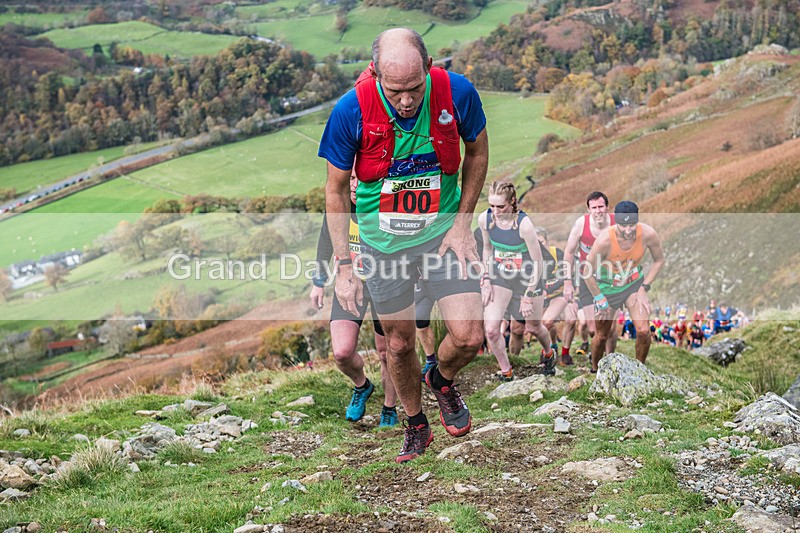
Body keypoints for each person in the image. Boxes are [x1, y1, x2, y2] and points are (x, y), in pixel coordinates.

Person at [320, 28, 488, 463]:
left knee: (469, 336)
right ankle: (416, 424)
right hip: (383, 246)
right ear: (375, 74)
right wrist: (343, 265)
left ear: (428, 67)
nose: (407, 100)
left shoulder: (457, 94)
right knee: (397, 344)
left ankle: (442, 380)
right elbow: (335, 192)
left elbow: (478, 153)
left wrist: (463, 222)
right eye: (396, 91)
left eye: (415, 88)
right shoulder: (350, 110)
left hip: (441, 235)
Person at [311, 173, 398, 427]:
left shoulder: (383, 205)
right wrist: (318, 283)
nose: (354, 184)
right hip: (348, 285)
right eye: (350, 179)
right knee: (342, 352)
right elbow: (325, 243)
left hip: (384, 285)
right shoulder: (338, 206)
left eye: (360, 179)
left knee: (387, 352)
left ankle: (389, 408)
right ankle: (362, 385)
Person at [478, 180, 553, 382]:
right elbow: (486, 249)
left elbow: (538, 262)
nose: (495, 211)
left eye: (500, 206)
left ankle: (549, 353)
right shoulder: (485, 220)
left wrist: (527, 295)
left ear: (512, 202)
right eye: (491, 206)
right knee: (492, 329)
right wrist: (485, 279)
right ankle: (507, 371)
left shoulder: (524, 225)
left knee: (534, 327)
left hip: (529, 276)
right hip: (501, 275)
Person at [584, 201, 665, 370]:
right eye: (623, 226)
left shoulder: (648, 234)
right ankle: (594, 369)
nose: (628, 231)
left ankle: (639, 371)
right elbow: (586, 271)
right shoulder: (605, 240)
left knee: (643, 331)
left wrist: (645, 287)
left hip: (633, 286)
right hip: (607, 288)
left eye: (632, 225)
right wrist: (600, 299)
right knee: (601, 335)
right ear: (616, 222)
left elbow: (659, 261)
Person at [563, 191, 620, 359]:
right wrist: (568, 282)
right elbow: (568, 252)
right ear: (588, 209)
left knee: (610, 327)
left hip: (610, 278)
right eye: (594, 208)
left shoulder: (616, 224)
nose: (598, 211)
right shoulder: (582, 224)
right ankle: (597, 353)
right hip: (587, 278)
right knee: (593, 327)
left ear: (607, 207)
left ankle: (610, 360)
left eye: (601, 207)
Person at [537, 227, 578, 366]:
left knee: (571, 320)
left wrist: (548, 290)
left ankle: (565, 354)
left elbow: (565, 275)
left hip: (559, 292)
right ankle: (551, 346)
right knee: (545, 324)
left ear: (547, 241)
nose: (539, 245)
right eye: (535, 242)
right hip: (543, 296)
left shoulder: (556, 253)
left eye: (541, 242)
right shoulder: (532, 256)